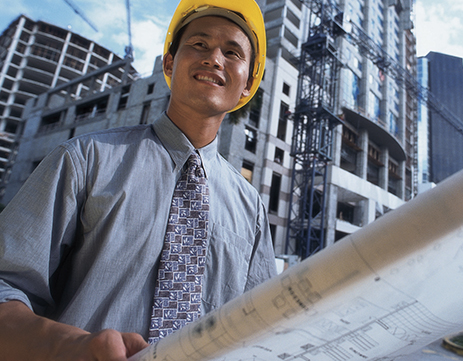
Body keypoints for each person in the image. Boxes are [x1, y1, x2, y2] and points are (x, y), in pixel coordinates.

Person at [0, 0, 277, 359]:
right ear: (168, 62)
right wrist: (70, 346)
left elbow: (262, 324)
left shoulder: (250, 208)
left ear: (247, 84)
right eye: (199, 44)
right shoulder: (85, 160)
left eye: (232, 52)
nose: (214, 59)